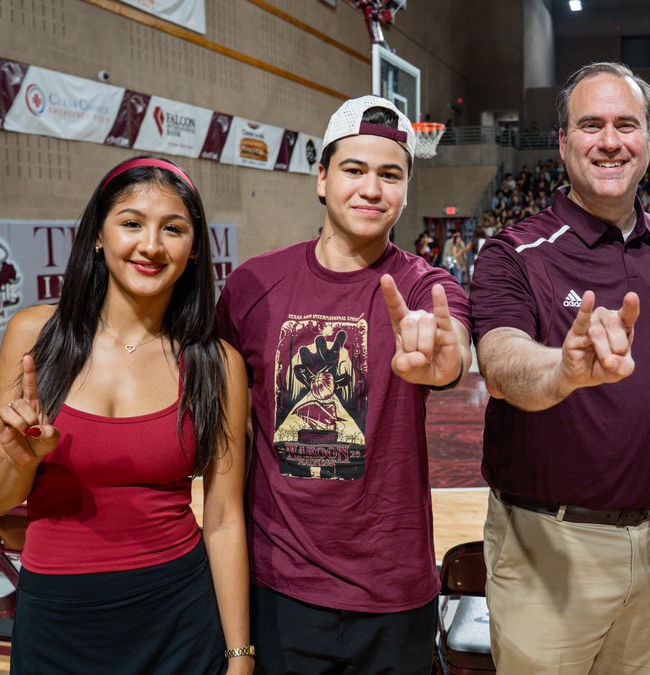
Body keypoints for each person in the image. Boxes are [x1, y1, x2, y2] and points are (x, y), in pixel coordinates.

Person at [469, 62, 650, 673]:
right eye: (591, 125)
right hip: (548, 548)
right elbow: (501, 362)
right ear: (562, 142)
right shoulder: (514, 253)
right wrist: (562, 372)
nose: (610, 141)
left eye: (626, 125)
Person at [215, 95, 472, 674]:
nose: (372, 188)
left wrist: (446, 361)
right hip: (279, 586)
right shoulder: (252, 286)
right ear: (321, 179)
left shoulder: (426, 287)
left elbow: (452, 341)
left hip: (393, 591)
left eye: (390, 174)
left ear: (406, 191)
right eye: (354, 170)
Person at [0, 156, 252, 674]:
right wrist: (22, 463)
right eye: (130, 223)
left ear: (193, 250)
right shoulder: (36, 337)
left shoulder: (217, 364)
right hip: (57, 617)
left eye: (173, 228)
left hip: (180, 616)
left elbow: (222, 520)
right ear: (97, 237)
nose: (150, 245)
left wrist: (239, 656)